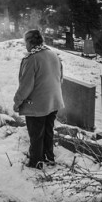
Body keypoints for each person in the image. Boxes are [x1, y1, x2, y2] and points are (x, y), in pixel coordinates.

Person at [13, 29, 64, 169]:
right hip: (54, 101)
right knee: (48, 131)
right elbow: (60, 78)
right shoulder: (53, 54)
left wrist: (17, 102)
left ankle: (36, 163)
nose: (25, 45)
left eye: (25, 42)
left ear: (30, 42)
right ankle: (48, 157)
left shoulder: (31, 59)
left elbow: (25, 86)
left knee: (36, 134)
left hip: (37, 105)